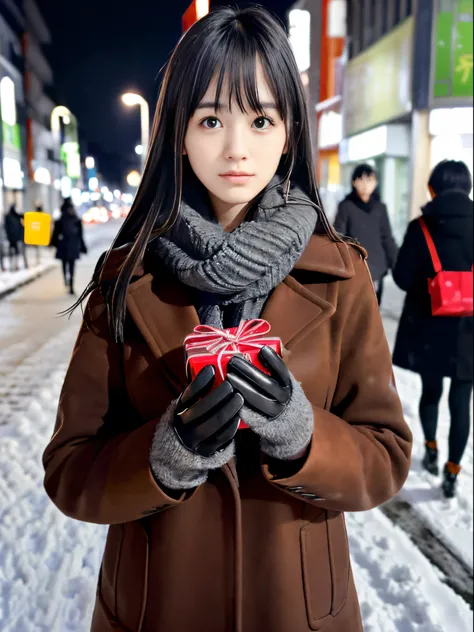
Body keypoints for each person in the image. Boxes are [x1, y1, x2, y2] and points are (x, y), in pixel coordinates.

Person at [42, 7, 412, 632]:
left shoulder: (342, 275)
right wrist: (164, 457)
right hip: (157, 606)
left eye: (261, 119)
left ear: (289, 132)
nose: (237, 148)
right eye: (212, 119)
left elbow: (386, 456)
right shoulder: (124, 279)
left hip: (298, 608)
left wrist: (303, 437)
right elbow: (70, 468)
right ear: (178, 132)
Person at [393, 160, 473, 498]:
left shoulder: (420, 227)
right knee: (461, 401)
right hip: (469, 332)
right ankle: (453, 471)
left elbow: (401, 277)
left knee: (431, 392)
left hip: (428, 329)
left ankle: (431, 448)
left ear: (432, 189)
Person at [334, 164, 398, 305]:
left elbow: (387, 237)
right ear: (354, 182)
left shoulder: (380, 208)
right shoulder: (346, 206)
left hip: (377, 266)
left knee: (374, 307)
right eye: (361, 180)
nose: (365, 184)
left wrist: (396, 263)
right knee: (354, 309)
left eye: (369, 180)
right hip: (355, 265)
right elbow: (339, 236)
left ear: (375, 183)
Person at [51, 198, 87, 295]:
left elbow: (55, 233)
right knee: (71, 266)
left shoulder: (60, 219)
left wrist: (53, 243)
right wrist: (83, 247)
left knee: (64, 264)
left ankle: (66, 280)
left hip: (63, 245)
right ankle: (71, 284)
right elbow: (80, 235)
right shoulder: (76, 219)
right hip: (73, 245)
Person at [4, 203, 28, 271]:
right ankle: (12, 265)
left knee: (17, 252)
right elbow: (6, 227)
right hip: (12, 238)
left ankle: (16, 265)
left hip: (17, 237)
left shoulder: (17, 216)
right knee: (12, 252)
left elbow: (24, 217)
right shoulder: (8, 216)